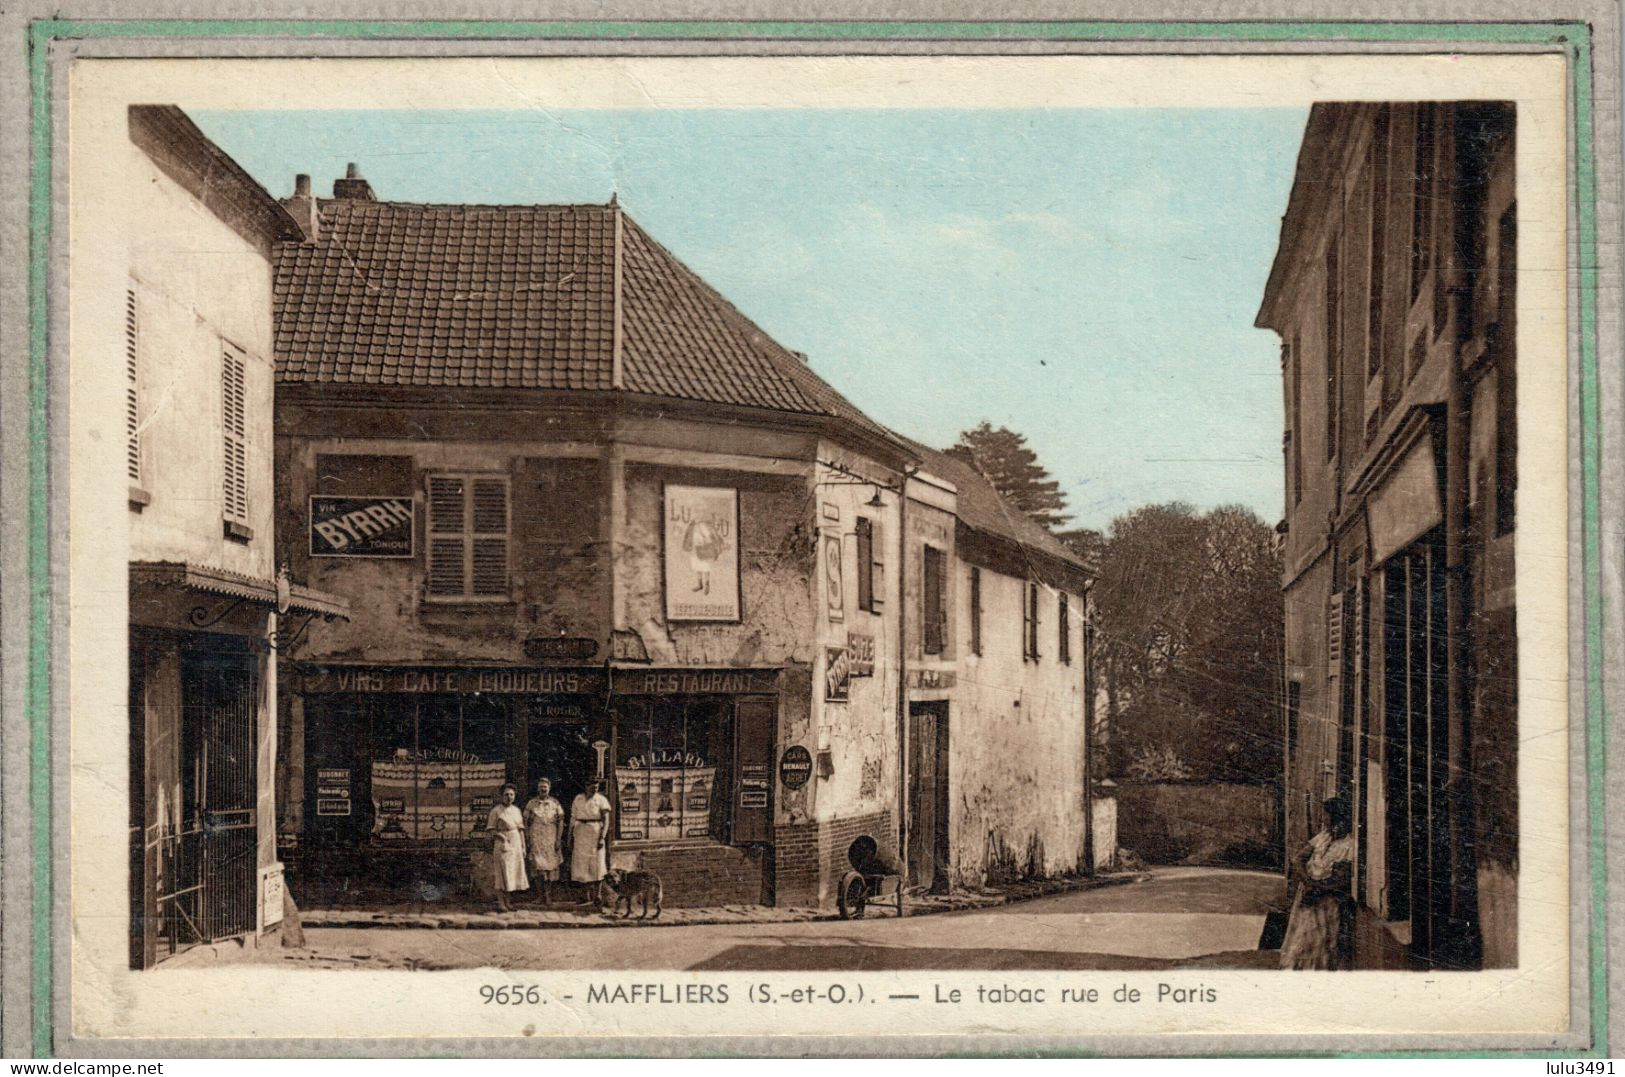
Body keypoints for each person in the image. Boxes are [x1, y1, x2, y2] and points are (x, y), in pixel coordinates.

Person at [1280, 794, 1356, 969]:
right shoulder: (1323, 837)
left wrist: (1317, 889)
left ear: (1337, 816)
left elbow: (1341, 880)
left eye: (1326, 815)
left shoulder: (1349, 845)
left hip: (1327, 901)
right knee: (1301, 940)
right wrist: (1308, 882)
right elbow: (1298, 859)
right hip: (1309, 893)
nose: (1323, 818)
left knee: (1322, 943)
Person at [485, 783, 528, 913]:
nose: (509, 797)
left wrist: (523, 847)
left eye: (511, 794)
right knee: (501, 873)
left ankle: (508, 902)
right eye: (506, 794)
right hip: (502, 842)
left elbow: (520, 830)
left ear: (514, 796)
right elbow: (490, 830)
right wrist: (501, 837)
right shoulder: (496, 811)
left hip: (515, 842)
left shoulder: (516, 810)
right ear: (501, 796)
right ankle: (500, 902)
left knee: (512, 873)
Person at [522, 777, 565, 905]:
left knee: (550, 868)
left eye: (545, 787)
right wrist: (527, 838)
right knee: (537, 868)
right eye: (541, 787)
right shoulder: (531, 803)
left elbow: (561, 822)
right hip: (536, 839)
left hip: (551, 839)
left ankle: (548, 896)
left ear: (549, 788)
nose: (543, 789)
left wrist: (558, 840)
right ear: (537, 788)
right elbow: (524, 821)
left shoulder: (555, 803)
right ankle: (540, 896)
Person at [569, 778, 613, 902]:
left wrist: (602, 838)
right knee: (581, 865)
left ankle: (597, 896)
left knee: (597, 864)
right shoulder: (578, 799)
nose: (594, 789)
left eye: (596, 787)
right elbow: (573, 819)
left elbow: (606, 820)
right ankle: (585, 896)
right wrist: (570, 837)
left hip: (595, 833)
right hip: (580, 833)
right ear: (586, 786)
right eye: (592, 787)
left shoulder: (601, 800)